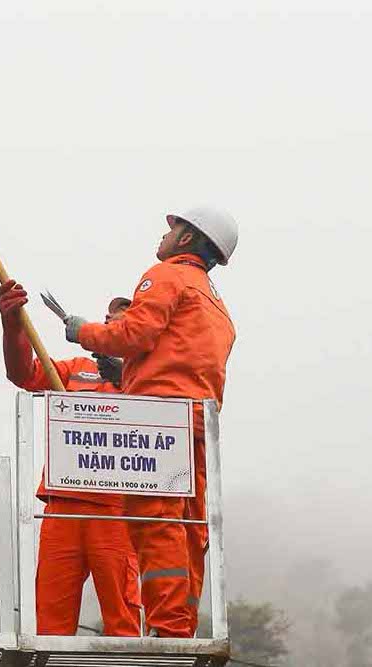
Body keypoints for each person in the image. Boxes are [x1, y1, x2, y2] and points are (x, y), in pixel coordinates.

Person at [61, 207, 238, 638]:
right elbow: (181, 358)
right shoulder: (216, 303)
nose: (164, 233)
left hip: (158, 422)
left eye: (173, 227)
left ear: (186, 239)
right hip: (197, 424)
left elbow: (133, 335)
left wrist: (82, 332)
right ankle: (179, 626)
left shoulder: (167, 276)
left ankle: (168, 630)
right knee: (190, 530)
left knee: (157, 525)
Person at [0, 281, 141, 636]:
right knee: (49, 622)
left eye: (120, 320)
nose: (109, 322)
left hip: (119, 508)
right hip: (62, 504)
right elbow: (23, 374)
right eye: (107, 318)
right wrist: (13, 327)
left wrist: (127, 377)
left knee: (123, 619)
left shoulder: (153, 376)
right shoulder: (77, 367)